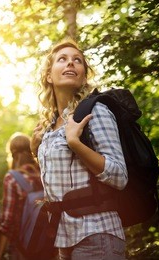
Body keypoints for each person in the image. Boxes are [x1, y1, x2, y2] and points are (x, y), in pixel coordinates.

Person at [30, 39, 128, 260]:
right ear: (48, 75)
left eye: (77, 61)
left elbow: (119, 176)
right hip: (64, 238)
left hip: (97, 233)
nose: (70, 64)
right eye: (62, 59)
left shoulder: (96, 111)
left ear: (83, 75)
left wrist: (75, 143)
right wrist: (34, 149)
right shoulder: (49, 125)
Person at [0, 133, 43, 260]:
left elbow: (8, 222)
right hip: (47, 245)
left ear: (12, 153)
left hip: (22, 247)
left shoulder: (12, 178)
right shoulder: (43, 173)